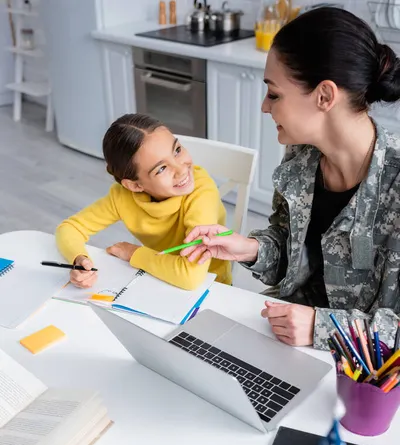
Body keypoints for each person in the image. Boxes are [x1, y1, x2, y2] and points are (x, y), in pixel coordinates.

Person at [182, 7, 400, 350]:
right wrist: (250, 249)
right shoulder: (301, 155)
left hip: (364, 377)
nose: (264, 107)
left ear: (324, 96)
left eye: (274, 93)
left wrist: (320, 327)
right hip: (283, 334)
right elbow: (289, 248)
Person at [55, 113, 232, 291]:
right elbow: (70, 228)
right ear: (134, 185)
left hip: (212, 289)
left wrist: (132, 252)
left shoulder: (201, 192)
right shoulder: (122, 197)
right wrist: (79, 259)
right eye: (162, 168)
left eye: (177, 150)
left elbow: (191, 277)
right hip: (156, 279)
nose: (181, 169)